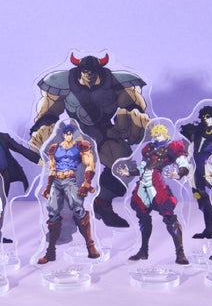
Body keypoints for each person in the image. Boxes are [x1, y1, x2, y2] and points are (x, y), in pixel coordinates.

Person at [31, 53, 150, 228]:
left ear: (99, 70)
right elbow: (48, 112)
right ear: (79, 70)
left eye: (93, 70)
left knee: (125, 168)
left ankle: (102, 205)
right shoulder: (63, 83)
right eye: (85, 70)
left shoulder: (115, 83)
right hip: (76, 134)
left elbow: (133, 106)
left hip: (105, 132)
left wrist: (135, 118)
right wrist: (42, 131)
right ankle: (64, 218)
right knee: (70, 176)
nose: (89, 74)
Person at [116, 124, 190, 264]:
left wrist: (179, 174)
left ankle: (180, 253)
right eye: (155, 135)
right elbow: (143, 167)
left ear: (165, 134)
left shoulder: (172, 146)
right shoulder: (149, 148)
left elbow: (183, 162)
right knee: (143, 215)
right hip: (144, 183)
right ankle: (143, 251)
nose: (157, 137)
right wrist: (129, 172)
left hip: (157, 183)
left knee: (168, 215)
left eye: (159, 134)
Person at [37, 123, 100, 264]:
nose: (68, 136)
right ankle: (50, 253)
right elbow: (52, 168)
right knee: (53, 212)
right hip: (57, 181)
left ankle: (90, 247)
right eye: (66, 134)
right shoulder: (55, 148)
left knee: (78, 210)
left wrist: (87, 183)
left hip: (70, 180)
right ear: (63, 135)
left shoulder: (80, 146)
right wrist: (48, 186)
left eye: (70, 134)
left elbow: (90, 163)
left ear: (72, 134)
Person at [179, 105, 212, 239]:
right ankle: (208, 230)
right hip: (195, 169)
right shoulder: (198, 131)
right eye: (203, 117)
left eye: (208, 116)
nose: (205, 119)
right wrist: (184, 163)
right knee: (201, 199)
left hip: (208, 166)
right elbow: (190, 150)